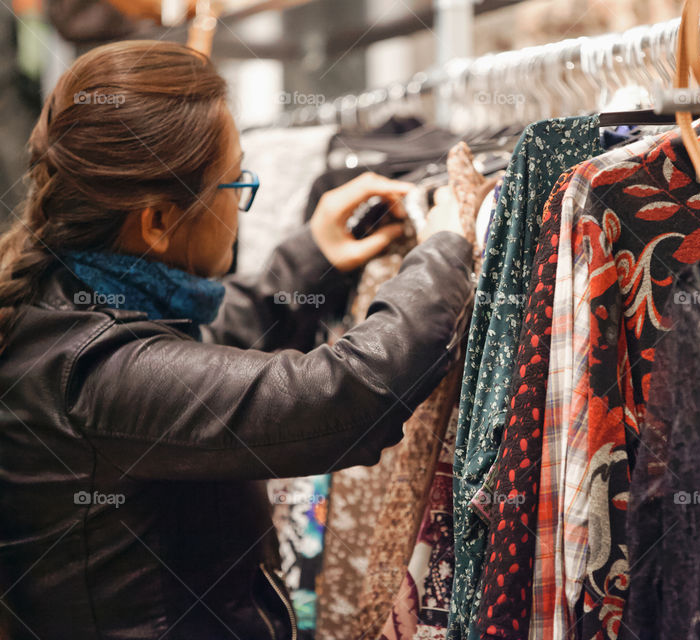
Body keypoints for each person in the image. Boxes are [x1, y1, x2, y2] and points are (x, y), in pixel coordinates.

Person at [0, 40, 475, 640]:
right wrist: (447, 248)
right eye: (233, 185)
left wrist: (312, 258)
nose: (242, 205)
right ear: (157, 221)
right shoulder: (92, 373)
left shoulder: (63, 301)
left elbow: (209, 353)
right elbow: (343, 396)